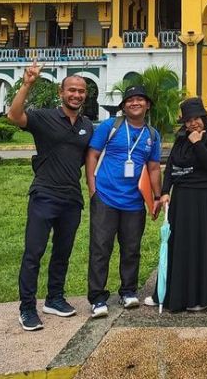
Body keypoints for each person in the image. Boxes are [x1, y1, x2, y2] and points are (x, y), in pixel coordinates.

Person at [7, 61, 94, 332]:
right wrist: (27, 84)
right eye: (71, 90)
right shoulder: (44, 117)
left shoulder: (87, 125)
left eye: (81, 91)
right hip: (44, 194)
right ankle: (27, 308)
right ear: (61, 92)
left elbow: (88, 159)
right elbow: (14, 116)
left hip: (71, 198)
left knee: (62, 252)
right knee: (34, 252)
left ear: (85, 95)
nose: (76, 95)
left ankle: (54, 298)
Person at [147, 97, 207, 312]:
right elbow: (171, 166)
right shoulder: (181, 138)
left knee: (204, 246)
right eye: (188, 120)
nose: (192, 123)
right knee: (180, 247)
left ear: (204, 117)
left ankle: (203, 295)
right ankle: (170, 291)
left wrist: (197, 144)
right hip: (183, 201)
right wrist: (165, 191)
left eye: (196, 118)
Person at [85, 85, 162, 319]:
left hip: (134, 202)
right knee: (100, 248)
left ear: (147, 105)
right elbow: (92, 155)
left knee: (131, 249)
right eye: (130, 100)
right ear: (123, 106)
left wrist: (156, 197)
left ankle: (128, 291)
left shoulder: (152, 134)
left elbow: (154, 167)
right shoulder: (111, 126)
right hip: (106, 197)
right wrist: (92, 188)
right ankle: (97, 297)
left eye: (140, 99)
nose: (135, 103)